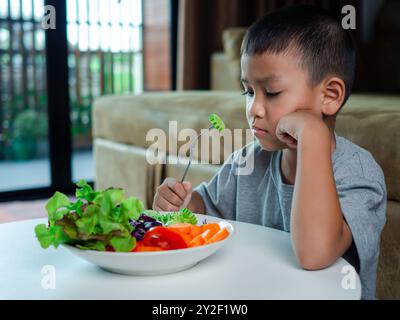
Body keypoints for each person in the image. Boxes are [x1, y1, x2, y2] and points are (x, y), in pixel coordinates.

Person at [153, 5, 386, 300]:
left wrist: (312, 135)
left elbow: (314, 254)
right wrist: (183, 203)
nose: (254, 109)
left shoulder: (359, 174)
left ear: (330, 96)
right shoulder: (248, 161)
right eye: (248, 91)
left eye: (272, 93)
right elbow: (205, 210)